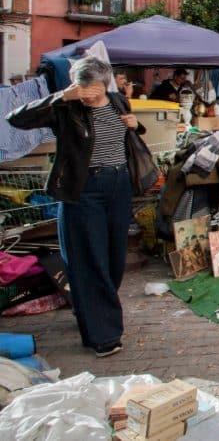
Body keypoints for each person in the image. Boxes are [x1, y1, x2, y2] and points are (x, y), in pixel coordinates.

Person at [7, 56, 144, 358]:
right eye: (84, 85)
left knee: (112, 259)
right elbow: (15, 118)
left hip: (119, 186)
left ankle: (90, 313)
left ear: (106, 82)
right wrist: (60, 96)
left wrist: (136, 125)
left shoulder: (118, 101)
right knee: (90, 260)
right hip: (84, 191)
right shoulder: (66, 107)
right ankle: (105, 335)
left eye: (95, 85)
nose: (90, 92)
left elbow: (126, 138)